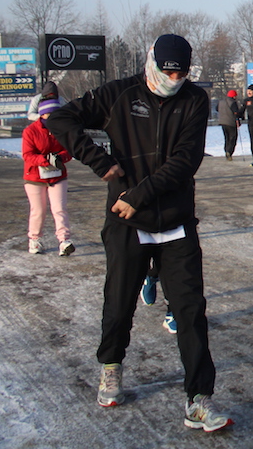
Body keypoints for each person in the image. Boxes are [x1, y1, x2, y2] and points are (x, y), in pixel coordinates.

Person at [47, 34, 232, 432]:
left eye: (181, 73)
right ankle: (111, 366)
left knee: (190, 311)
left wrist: (139, 195)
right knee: (119, 303)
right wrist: (99, 161)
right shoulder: (120, 94)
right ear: (152, 63)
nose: (174, 79)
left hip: (175, 221)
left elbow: (185, 161)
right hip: (126, 222)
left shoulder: (194, 100)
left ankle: (199, 398)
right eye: (168, 72)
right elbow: (59, 119)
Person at [22, 98, 74, 256]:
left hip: (57, 175)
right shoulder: (30, 131)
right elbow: (27, 155)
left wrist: (60, 158)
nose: (53, 117)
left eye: (56, 113)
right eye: (50, 114)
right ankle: (35, 239)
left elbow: (69, 150)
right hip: (35, 177)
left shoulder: (62, 129)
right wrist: (45, 160)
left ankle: (64, 241)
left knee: (59, 209)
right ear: (42, 115)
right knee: (38, 210)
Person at [217, 89, 240, 161]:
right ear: (233, 96)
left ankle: (226, 150)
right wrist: (238, 121)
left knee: (226, 137)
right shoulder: (233, 102)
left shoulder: (221, 102)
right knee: (233, 138)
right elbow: (236, 112)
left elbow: (216, 109)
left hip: (222, 122)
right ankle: (229, 151)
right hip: (231, 123)